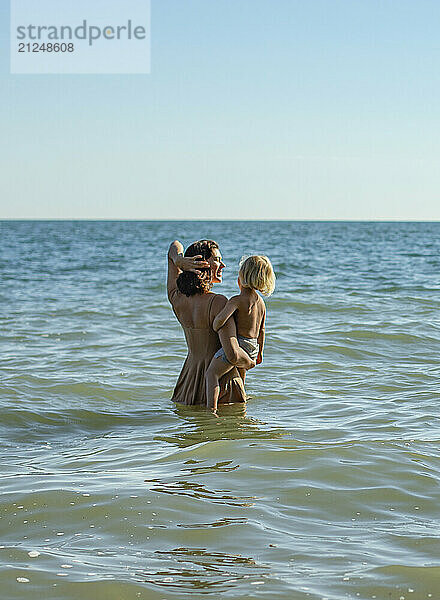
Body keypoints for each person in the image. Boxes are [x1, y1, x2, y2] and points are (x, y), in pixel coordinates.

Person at [167, 239, 256, 408]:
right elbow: (233, 355)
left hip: (188, 383)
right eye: (217, 260)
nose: (222, 266)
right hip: (222, 386)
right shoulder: (219, 303)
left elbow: (174, 246)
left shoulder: (176, 297)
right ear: (200, 262)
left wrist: (178, 261)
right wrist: (250, 362)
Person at [205, 255, 275, 412]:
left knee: (212, 374)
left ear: (242, 277)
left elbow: (219, 321)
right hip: (252, 347)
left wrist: (215, 324)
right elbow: (262, 330)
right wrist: (260, 353)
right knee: (241, 376)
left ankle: (211, 409)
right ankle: (241, 401)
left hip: (240, 345)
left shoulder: (236, 300)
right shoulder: (261, 303)